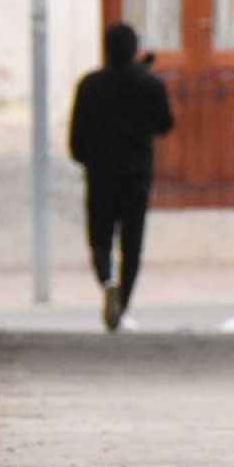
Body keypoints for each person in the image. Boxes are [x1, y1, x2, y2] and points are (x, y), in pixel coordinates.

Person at [67, 22, 174, 332]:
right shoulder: (148, 83)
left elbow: (76, 140)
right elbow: (165, 123)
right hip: (136, 174)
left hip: (100, 174)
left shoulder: (89, 84)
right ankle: (123, 302)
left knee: (100, 236)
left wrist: (88, 158)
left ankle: (106, 280)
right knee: (132, 239)